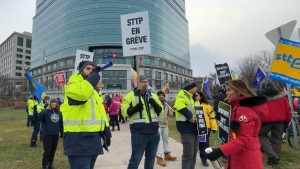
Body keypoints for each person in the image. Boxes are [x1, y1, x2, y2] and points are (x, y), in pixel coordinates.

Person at [60, 60, 111, 169]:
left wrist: (106, 129)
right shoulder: (72, 84)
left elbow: (100, 111)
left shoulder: (94, 90)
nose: (91, 71)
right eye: (88, 69)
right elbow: (82, 95)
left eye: (93, 69)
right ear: (80, 71)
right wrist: (94, 77)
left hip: (93, 137)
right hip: (78, 138)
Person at [206, 80, 268, 169]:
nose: (227, 93)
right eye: (226, 90)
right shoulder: (239, 107)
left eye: (229, 90)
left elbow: (244, 139)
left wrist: (220, 151)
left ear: (238, 91)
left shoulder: (244, 110)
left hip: (246, 158)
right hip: (242, 154)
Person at [121, 75, 163, 169]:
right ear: (138, 83)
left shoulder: (153, 95)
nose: (145, 84)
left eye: (147, 82)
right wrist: (134, 109)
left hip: (154, 132)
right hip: (139, 133)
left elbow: (161, 111)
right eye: (143, 82)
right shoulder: (131, 95)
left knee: (150, 159)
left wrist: (155, 105)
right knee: (135, 159)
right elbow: (123, 111)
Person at [258, 85, 291, 165]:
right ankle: (275, 158)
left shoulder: (262, 100)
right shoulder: (283, 99)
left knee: (261, 136)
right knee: (277, 139)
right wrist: (287, 122)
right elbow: (288, 111)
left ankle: (272, 156)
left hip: (265, 121)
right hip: (280, 122)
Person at [173, 80, 200, 169]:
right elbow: (179, 106)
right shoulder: (182, 94)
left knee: (194, 150)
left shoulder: (193, 97)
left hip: (195, 127)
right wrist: (190, 117)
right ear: (190, 88)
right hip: (186, 126)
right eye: (194, 87)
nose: (196, 88)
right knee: (188, 152)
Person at [195, 91, 217, 167]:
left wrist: (213, 127)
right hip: (193, 129)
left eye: (196, 95)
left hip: (205, 128)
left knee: (204, 145)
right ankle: (191, 159)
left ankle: (204, 159)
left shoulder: (207, 106)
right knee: (193, 145)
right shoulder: (191, 105)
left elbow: (212, 117)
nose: (195, 97)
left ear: (200, 96)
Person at [40, 98, 63, 169]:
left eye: (55, 102)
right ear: (50, 104)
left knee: (53, 150)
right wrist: (35, 112)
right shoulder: (45, 112)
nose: (53, 104)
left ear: (57, 104)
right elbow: (38, 118)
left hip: (55, 134)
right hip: (47, 134)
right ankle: (45, 165)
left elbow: (60, 124)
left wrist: (62, 133)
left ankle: (50, 164)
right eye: (52, 102)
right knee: (47, 151)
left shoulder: (59, 113)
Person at [155, 91, 176, 166]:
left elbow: (171, 114)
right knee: (157, 141)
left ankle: (167, 154)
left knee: (165, 140)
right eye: (159, 95)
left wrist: (175, 112)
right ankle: (159, 157)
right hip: (157, 125)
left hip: (165, 125)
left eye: (162, 95)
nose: (161, 96)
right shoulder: (155, 104)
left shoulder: (166, 105)